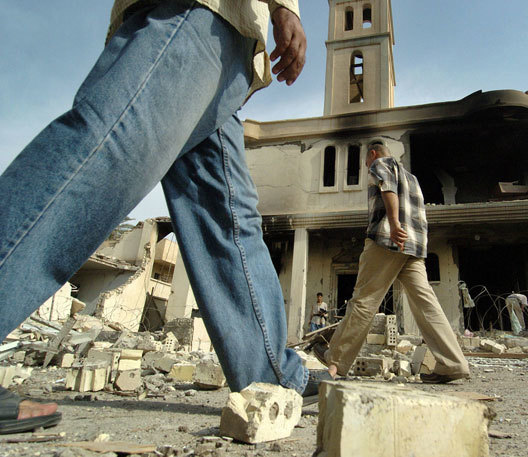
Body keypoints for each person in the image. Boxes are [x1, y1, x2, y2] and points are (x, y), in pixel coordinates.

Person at [0, 0, 330, 433]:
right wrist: (287, 6)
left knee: (226, 219)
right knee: (103, 154)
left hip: (231, 45)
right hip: (200, 13)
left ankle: (269, 373)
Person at [313, 142, 470, 383]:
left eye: (366, 162)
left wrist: (394, 223)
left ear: (373, 154)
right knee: (425, 303)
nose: (368, 167)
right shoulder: (412, 178)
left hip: (388, 239)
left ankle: (336, 361)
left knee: (364, 299)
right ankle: (453, 363)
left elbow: (387, 188)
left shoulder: (381, 163)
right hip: (414, 246)